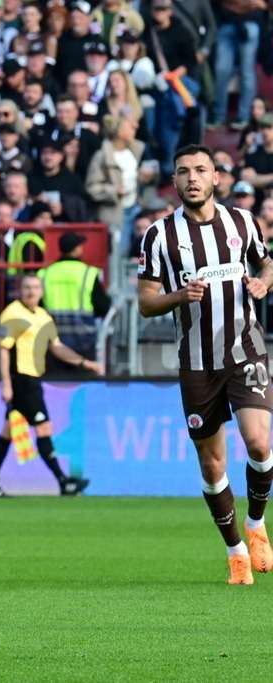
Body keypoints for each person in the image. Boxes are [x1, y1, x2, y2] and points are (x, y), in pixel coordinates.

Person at [137, 143, 273, 585]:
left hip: (244, 350)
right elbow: (145, 303)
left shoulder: (242, 223)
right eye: (183, 172)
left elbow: (267, 263)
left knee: (258, 444)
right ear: (173, 182)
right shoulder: (159, 236)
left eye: (200, 170)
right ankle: (235, 553)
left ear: (217, 177)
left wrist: (262, 283)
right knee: (213, 466)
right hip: (197, 364)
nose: (192, 178)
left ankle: (256, 524)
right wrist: (179, 296)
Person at [0, 273, 103, 499]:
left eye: (36, 287)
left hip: (33, 379)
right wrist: (6, 383)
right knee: (44, 428)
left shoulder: (44, 317)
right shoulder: (13, 313)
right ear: (20, 290)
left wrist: (84, 362)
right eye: (27, 287)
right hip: (21, 380)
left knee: (8, 432)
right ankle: (63, 482)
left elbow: (56, 346)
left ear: (42, 291)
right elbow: (3, 348)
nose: (31, 291)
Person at [38, 232, 112, 370]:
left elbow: (38, 305)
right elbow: (102, 306)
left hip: (53, 338)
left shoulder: (45, 273)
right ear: (77, 249)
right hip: (83, 337)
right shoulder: (88, 273)